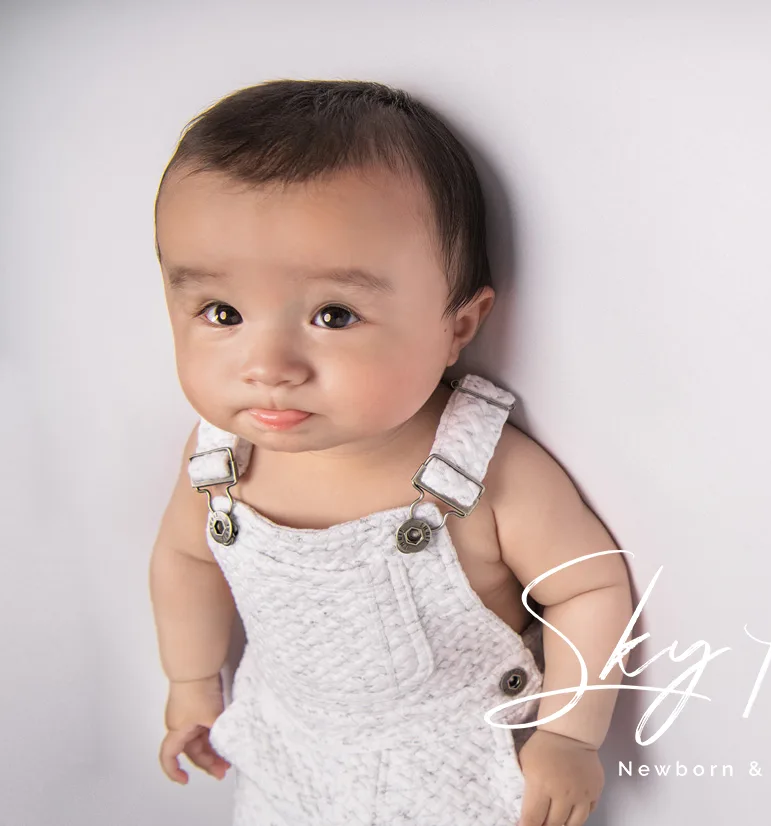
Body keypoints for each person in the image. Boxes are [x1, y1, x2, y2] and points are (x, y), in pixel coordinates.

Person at [147, 78, 634, 826]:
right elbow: (185, 561)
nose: (268, 363)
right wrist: (191, 680)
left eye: (333, 315)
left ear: (458, 325)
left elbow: (589, 590)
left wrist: (569, 733)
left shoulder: (482, 471)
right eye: (223, 313)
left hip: (450, 779)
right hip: (289, 761)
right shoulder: (219, 458)